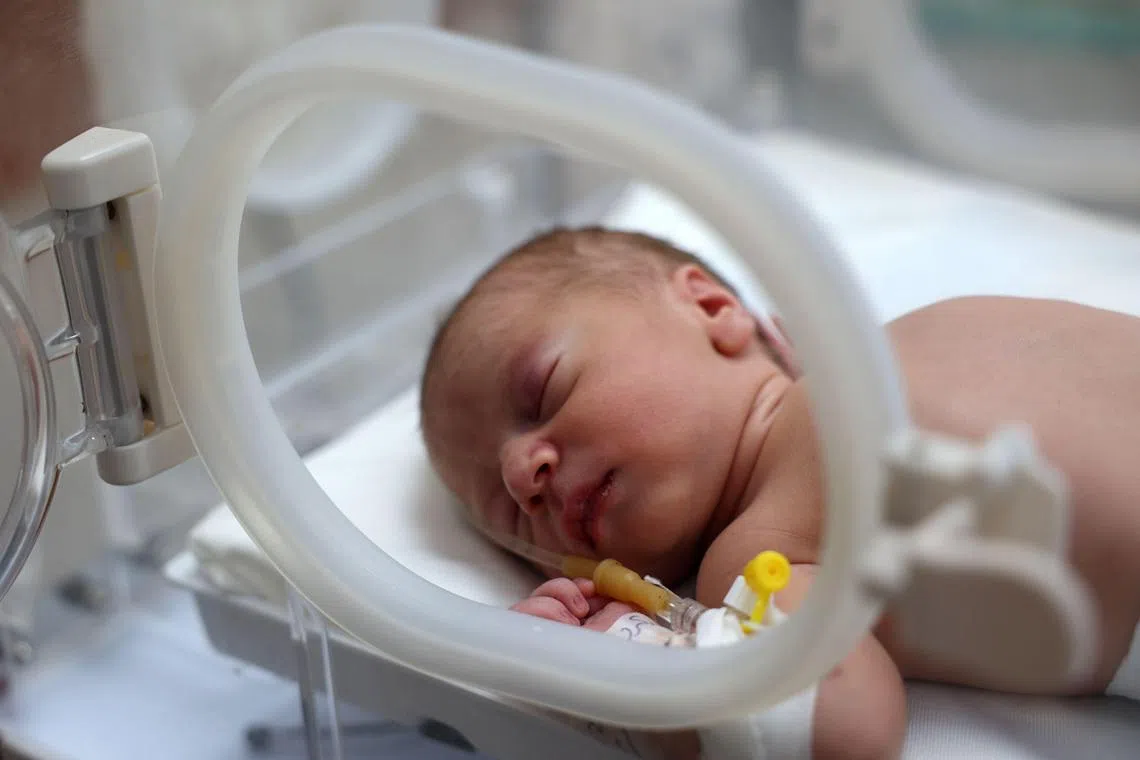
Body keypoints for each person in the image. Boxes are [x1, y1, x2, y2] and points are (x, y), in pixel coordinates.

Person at [418, 226, 1140, 759]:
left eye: (543, 388)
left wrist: (613, 673)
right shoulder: (765, 553)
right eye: (509, 514)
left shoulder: (865, 358)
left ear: (710, 307)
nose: (524, 474)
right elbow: (839, 724)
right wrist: (633, 655)